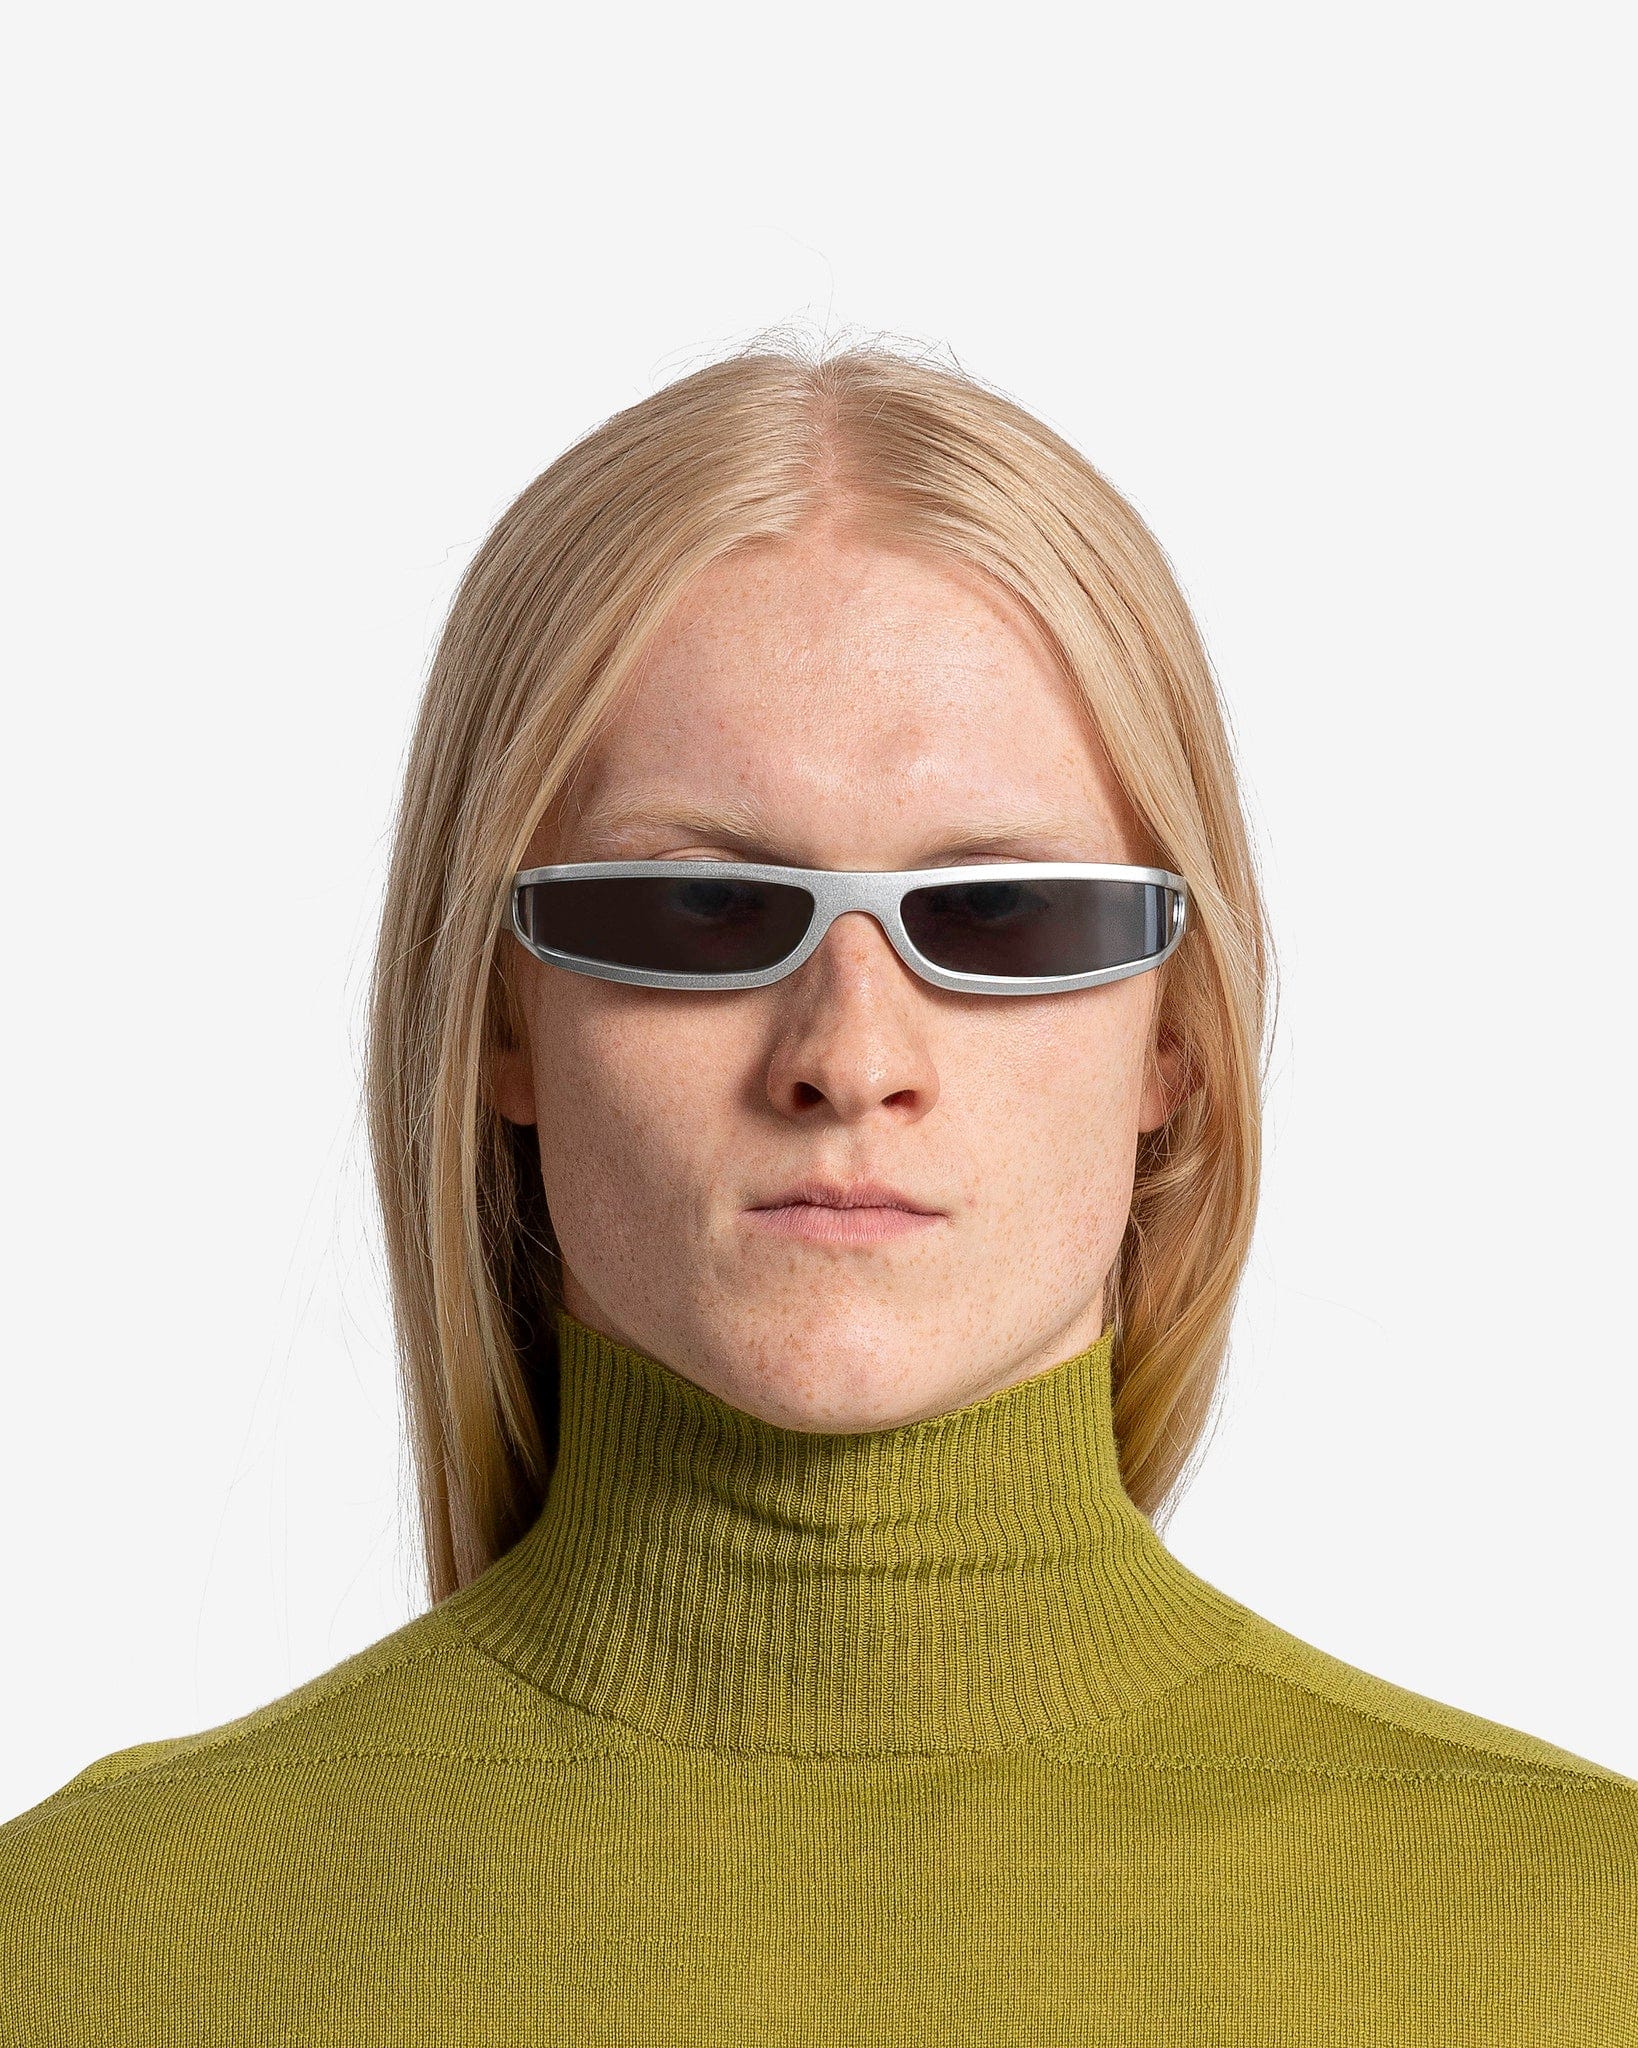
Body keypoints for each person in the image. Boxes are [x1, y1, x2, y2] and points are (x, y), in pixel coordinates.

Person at [3, 339, 1633, 2042]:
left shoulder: (1582, 1946)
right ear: (500, 1018)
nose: (851, 1057)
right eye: (700, 910)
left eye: (1001, 913)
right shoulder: (77, 1951)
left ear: (1175, 1035)